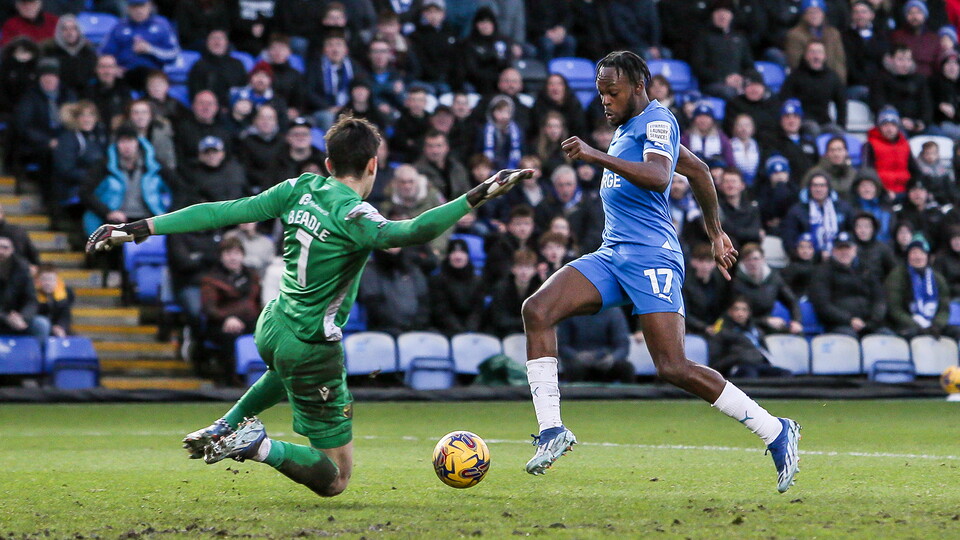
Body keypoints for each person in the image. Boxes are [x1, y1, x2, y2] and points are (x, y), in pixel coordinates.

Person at [86, 115, 533, 497]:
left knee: (282, 374)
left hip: (272, 323)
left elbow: (222, 211)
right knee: (336, 477)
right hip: (310, 347)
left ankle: (228, 423)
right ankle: (256, 444)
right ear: (373, 165)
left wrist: (139, 227)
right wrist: (479, 193)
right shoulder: (355, 215)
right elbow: (410, 232)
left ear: (327, 163)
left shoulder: (299, 188)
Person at [519, 51, 800, 491]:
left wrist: (595, 155)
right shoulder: (627, 128)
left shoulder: (658, 120)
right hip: (614, 254)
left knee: (672, 366)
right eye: (599, 93)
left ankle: (775, 429)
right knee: (537, 309)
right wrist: (715, 232)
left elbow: (657, 174)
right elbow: (701, 171)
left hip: (652, 256)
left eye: (611, 92)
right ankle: (553, 429)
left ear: (636, 86)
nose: (605, 101)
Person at [81, 123, 173, 237]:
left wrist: (170, 213)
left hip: (149, 218)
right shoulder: (104, 166)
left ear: (137, 143)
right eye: (122, 141)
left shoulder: (154, 165)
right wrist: (108, 212)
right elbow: (85, 193)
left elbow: (179, 188)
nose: (127, 146)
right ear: (116, 144)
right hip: (116, 219)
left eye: (130, 141)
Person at [199, 237, 262, 385]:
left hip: (250, 320)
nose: (232, 257)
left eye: (236, 253)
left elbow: (257, 304)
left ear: (242, 255)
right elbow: (209, 309)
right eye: (228, 253)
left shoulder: (252, 276)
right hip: (220, 323)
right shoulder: (211, 279)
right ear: (221, 257)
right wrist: (227, 318)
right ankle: (233, 380)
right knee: (230, 335)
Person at [808, 231, 888, 337]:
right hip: (839, 325)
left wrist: (873, 320)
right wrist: (849, 320)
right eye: (840, 249)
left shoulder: (866, 270)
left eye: (848, 248)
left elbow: (879, 298)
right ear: (833, 251)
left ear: (855, 250)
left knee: (887, 335)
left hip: (869, 324)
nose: (844, 252)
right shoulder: (822, 272)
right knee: (849, 338)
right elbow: (823, 306)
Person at [885, 236, 960, 340]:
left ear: (927, 256)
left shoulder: (937, 278)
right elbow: (895, 309)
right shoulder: (897, 276)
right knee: (911, 333)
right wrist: (917, 326)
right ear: (907, 256)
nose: (918, 257)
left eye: (922, 253)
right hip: (908, 324)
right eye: (914, 253)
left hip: (933, 324)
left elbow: (944, 308)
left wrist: (937, 325)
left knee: (956, 331)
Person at [99, 0, 180, 91]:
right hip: (125, 74)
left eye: (141, 6)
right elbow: (106, 54)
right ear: (128, 8)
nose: (138, 10)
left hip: (152, 74)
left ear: (149, 6)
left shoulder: (162, 25)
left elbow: (173, 55)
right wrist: (114, 68)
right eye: (134, 7)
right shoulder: (119, 27)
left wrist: (150, 49)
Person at [728, 243, 804, 335]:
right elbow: (735, 315)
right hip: (743, 325)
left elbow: (792, 301)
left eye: (755, 259)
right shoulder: (736, 282)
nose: (752, 263)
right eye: (748, 260)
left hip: (768, 323)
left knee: (796, 334)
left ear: (763, 259)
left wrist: (796, 321)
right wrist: (765, 321)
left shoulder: (774, 279)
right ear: (743, 262)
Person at [709, 297, 792, 378]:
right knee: (750, 373)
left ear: (749, 313)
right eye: (736, 309)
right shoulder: (722, 334)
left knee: (784, 374)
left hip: (758, 365)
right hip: (737, 367)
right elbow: (715, 364)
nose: (740, 313)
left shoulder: (756, 332)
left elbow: (766, 353)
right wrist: (738, 357)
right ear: (730, 312)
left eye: (744, 310)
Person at [690, 1, 754, 100]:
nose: (722, 15)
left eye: (726, 12)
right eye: (718, 12)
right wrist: (724, 79)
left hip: (739, 83)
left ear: (732, 16)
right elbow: (698, 67)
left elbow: (749, 65)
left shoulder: (739, 38)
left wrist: (742, 78)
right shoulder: (703, 37)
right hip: (712, 84)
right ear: (712, 15)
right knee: (731, 93)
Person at [780, 39, 847, 132]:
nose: (816, 56)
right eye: (812, 52)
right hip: (802, 121)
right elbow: (784, 100)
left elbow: (841, 103)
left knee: (838, 132)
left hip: (825, 122)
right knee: (813, 128)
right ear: (806, 56)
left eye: (819, 52)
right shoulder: (795, 77)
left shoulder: (832, 77)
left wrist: (841, 125)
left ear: (824, 56)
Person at [781, 173, 853, 260]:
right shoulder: (796, 211)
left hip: (838, 260)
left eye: (822, 186)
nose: (818, 189)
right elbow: (789, 240)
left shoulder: (843, 208)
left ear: (828, 188)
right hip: (808, 261)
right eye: (815, 186)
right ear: (809, 188)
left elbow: (852, 233)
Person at [557, 307, 633, 383]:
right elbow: (562, 345)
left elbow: (622, 345)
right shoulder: (570, 312)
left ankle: (631, 394)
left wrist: (613, 358)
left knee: (627, 368)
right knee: (574, 368)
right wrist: (576, 356)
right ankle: (573, 394)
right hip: (578, 362)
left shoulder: (613, 312)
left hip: (606, 360)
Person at [428, 238, 485, 336]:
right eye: (454, 252)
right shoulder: (437, 280)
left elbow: (478, 309)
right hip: (445, 330)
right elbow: (441, 309)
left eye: (462, 252)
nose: (458, 257)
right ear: (448, 256)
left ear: (467, 256)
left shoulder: (478, 280)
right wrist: (459, 331)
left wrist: (471, 328)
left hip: (473, 330)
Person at [871, 45, 933, 136]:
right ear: (890, 60)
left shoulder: (919, 79)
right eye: (900, 60)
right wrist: (898, 120)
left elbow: (926, 103)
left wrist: (923, 122)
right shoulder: (880, 79)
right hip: (893, 124)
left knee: (938, 134)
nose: (905, 64)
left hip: (917, 124)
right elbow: (879, 104)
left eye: (908, 60)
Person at [784, 0, 847, 83]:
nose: (814, 16)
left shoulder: (833, 34)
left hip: (832, 82)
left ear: (823, 14)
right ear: (804, 15)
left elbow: (839, 62)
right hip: (807, 83)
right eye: (810, 12)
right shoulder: (794, 35)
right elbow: (796, 64)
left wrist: (839, 84)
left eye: (817, 12)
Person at [0, 235, 48, 343]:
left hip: (19, 319)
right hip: (3, 317)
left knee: (41, 324)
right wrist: (6, 318)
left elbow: (31, 300)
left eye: (5, 247)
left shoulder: (22, 268)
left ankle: (38, 358)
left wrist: (23, 317)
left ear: (12, 250)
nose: (1, 251)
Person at [187, 28, 248, 108]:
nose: (217, 42)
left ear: (227, 43)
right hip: (208, 110)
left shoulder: (237, 65)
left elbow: (244, 89)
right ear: (207, 43)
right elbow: (194, 94)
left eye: (220, 38)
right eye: (213, 38)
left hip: (233, 110)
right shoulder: (198, 66)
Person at [41, 14, 97, 97]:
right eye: (65, 29)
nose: (69, 32)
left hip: (85, 96)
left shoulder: (88, 52)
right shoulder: (50, 52)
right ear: (59, 32)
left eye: (73, 28)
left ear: (79, 31)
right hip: (58, 96)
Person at [682, 242, 729, 336]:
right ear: (693, 262)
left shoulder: (719, 281)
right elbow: (686, 314)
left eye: (709, 261)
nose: (705, 266)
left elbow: (724, 307)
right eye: (701, 261)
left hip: (716, 328)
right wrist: (704, 328)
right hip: (693, 331)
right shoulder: (685, 284)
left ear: (715, 263)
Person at [891, 0, 939, 76]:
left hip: (929, 81)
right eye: (910, 13)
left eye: (918, 12)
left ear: (924, 15)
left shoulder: (934, 38)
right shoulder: (897, 36)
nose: (914, 16)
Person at [35, 263, 73, 337]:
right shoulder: (33, 296)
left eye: (51, 280)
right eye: (44, 279)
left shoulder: (63, 296)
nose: (48, 283)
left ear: (56, 281)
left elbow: (65, 317)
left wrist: (61, 327)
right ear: (38, 281)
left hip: (59, 330)